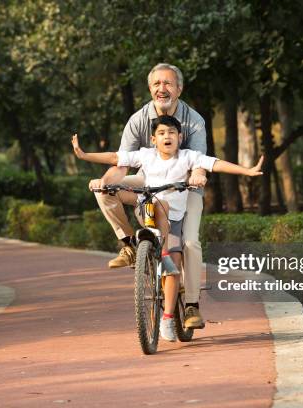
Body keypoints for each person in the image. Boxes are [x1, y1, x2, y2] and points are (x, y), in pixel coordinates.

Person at [72, 115, 263, 341]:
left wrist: (246, 171)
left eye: (172, 133)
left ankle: (168, 318)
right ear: (153, 139)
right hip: (148, 211)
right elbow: (115, 157)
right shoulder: (146, 155)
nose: (167, 137)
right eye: (162, 133)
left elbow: (215, 163)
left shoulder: (187, 157)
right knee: (108, 191)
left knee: (174, 262)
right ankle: (132, 245)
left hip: (173, 220)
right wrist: (85, 156)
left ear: (180, 137)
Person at [91, 63, 210, 330]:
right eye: (157, 84)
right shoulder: (137, 120)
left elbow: (200, 160)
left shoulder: (194, 120)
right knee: (104, 190)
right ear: (149, 88)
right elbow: (122, 163)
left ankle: (191, 304)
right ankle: (128, 244)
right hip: (151, 180)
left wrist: (198, 175)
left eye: (168, 84)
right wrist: (105, 181)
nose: (162, 89)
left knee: (189, 243)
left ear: (179, 89)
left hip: (185, 185)